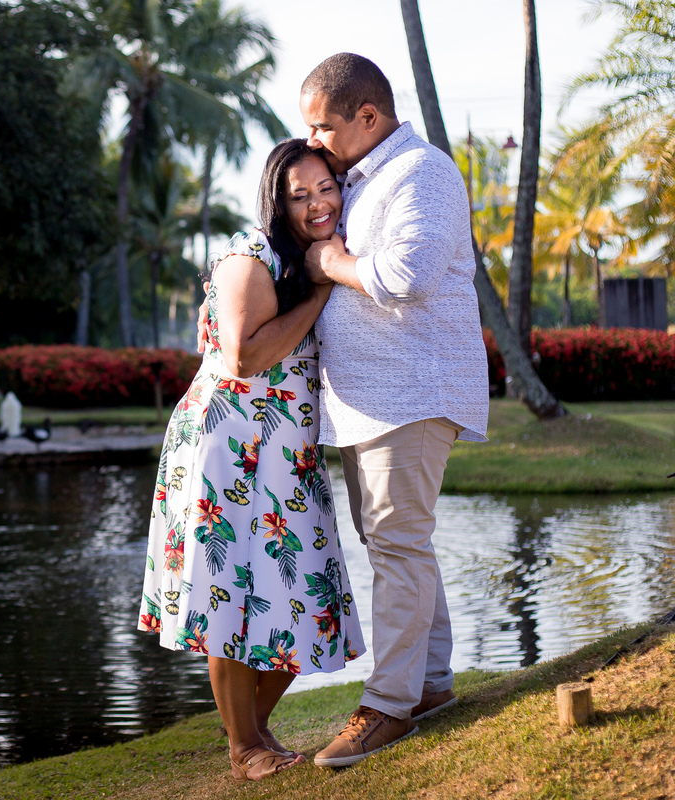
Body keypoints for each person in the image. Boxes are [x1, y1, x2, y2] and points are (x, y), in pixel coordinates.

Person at [138, 138, 366, 782]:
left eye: (327, 188)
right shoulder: (253, 254)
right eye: (301, 195)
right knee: (229, 600)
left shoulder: (310, 255)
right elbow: (242, 358)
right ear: (277, 199)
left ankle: (253, 732)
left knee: (300, 597)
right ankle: (245, 749)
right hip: (227, 449)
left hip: (286, 456)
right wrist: (320, 291)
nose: (318, 202)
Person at [295, 53, 489, 767]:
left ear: (367, 117)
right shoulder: (361, 177)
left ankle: (387, 707)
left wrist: (330, 264)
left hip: (412, 393)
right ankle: (429, 685)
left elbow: (404, 277)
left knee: (397, 548)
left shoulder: (422, 173)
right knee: (396, 544)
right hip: (374, 403)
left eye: (323, 126)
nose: (313, 140)